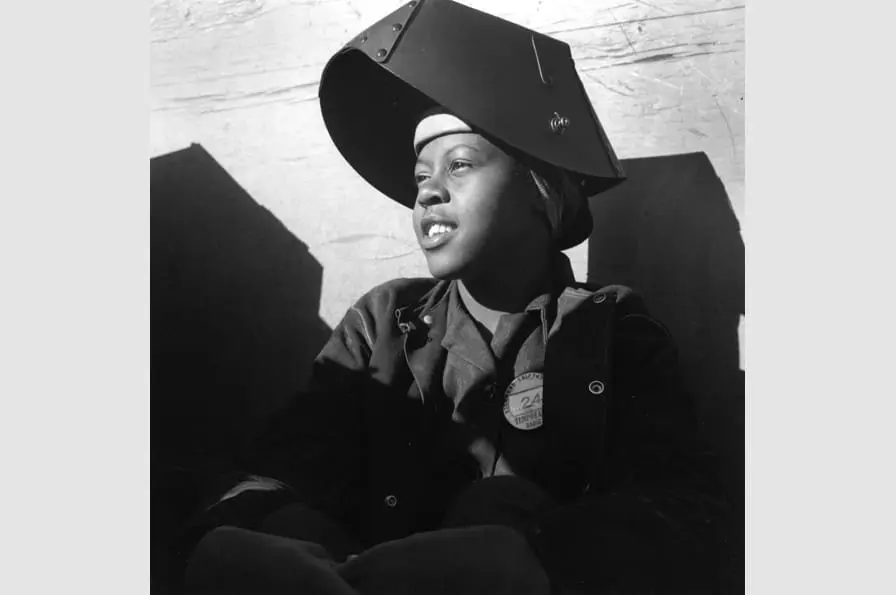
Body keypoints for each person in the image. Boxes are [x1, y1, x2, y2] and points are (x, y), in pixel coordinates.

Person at [170, 1, 731, 593]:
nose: (428, 192)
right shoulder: (380, 323)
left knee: (501, 503)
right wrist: (268, 529)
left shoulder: (611, 329)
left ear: (543, 193)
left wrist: (539, 556)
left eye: (459, 165)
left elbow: (688, 515)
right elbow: (278, 469)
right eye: (420, 177)